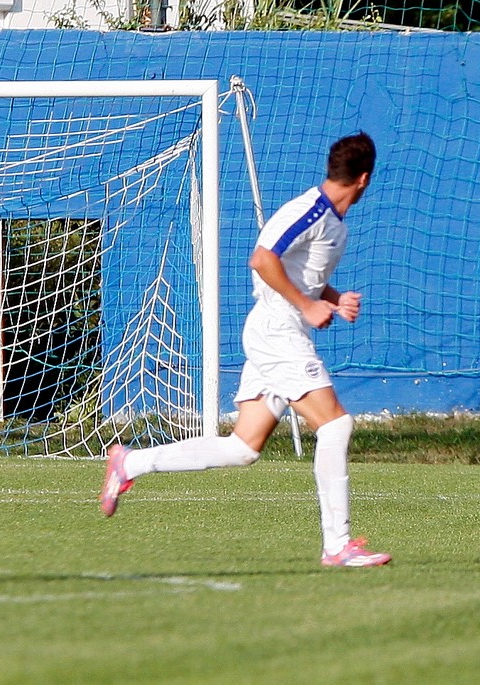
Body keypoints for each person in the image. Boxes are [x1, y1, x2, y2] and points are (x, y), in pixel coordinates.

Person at [100, 131, 391, 568]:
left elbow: (298, 272)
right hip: (277, 332)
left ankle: (130, 463)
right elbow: (262, 259)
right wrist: (308, 305)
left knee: (242, 447)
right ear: (364, 178)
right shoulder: (310, 210)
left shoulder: (334, 222)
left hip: (279, 331)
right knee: (335, 426)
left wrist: (331, 298)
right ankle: (338, 546)